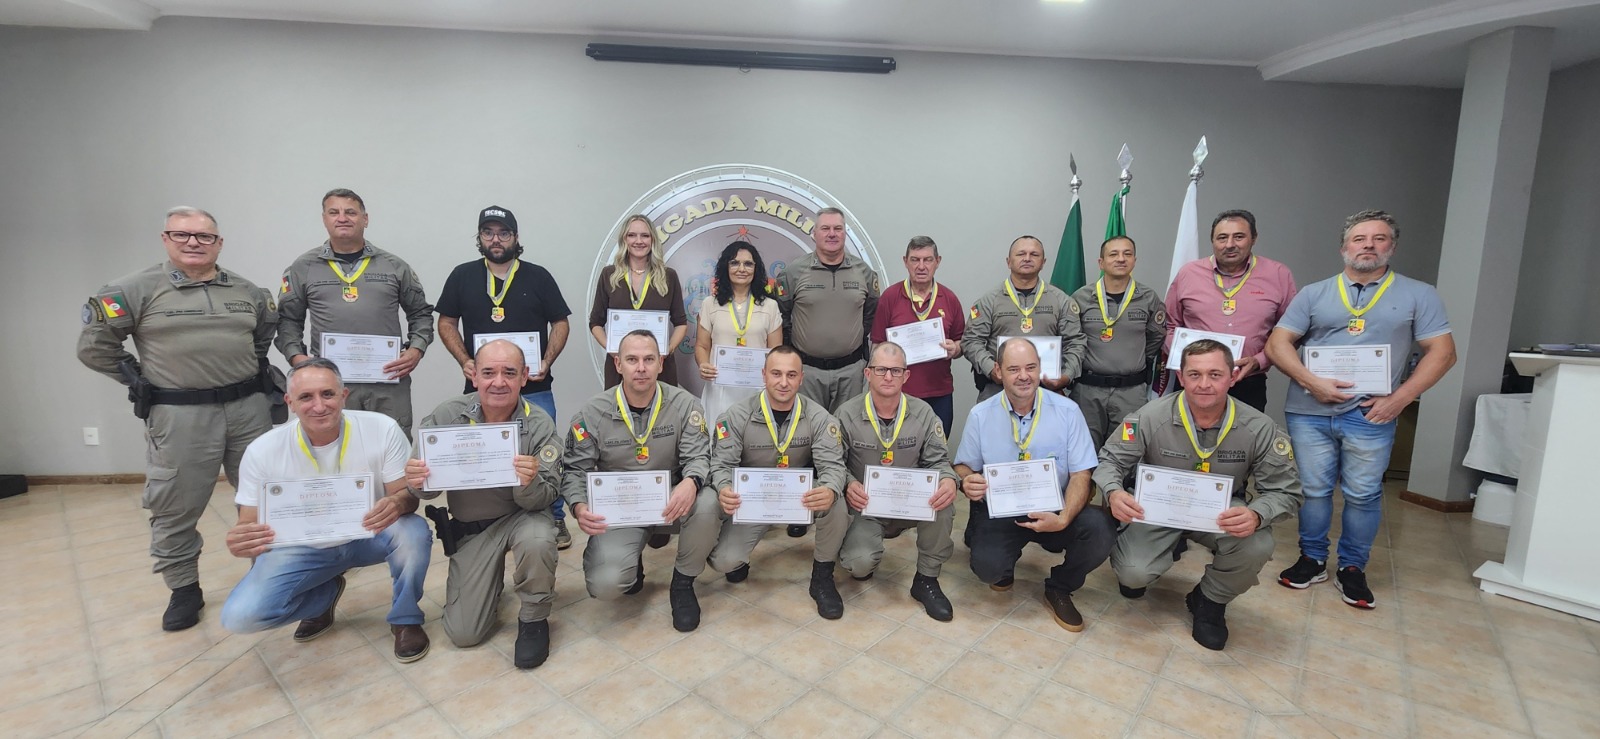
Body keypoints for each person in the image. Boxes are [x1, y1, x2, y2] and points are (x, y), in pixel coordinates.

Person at [77, 206, 276, 632]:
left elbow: (261, 339)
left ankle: (269, 572)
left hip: (248, 409)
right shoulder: (132, 289)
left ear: (219, 243)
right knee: (175, 504)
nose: (193, 243)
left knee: (268, 496)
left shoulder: (247, 291)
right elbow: (94, 347)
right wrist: (139, 379)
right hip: (180, 415)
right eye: (182, 234)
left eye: (204, 236)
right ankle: (184, 588)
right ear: (165, 239)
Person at [1266, 210, 1455, 609]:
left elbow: (1443, 353)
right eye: (1359, 238)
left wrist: (1399, 398)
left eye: (1379, 238)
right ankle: (1312, 559)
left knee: (1364, 494)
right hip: (1310, 411)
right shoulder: (1314, 293)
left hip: (1372, 413)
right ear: (1344, 248)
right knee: (1313, 490)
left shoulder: (1419, 294)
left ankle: (1352, 567)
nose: (1368, 245)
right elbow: (1278, 344)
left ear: (1392, 247)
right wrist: (1311, 381)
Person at [219, 358, 433, 662]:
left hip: (368, 534)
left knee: (413, 531)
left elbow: (406, 497)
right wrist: (243, 539)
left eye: (328, 394)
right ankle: (323, 597)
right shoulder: (262, 450)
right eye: (306, 397)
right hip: (303, 547)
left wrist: (398, 502)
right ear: (290, 402)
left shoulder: (381, 428)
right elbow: (249, 522)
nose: (319, 406)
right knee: (240, 617)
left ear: (344, 395)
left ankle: (405, 618)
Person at [1096, 339, 1303, 650]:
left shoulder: (1259, 428)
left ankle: (1209, 600)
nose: (1204, 384)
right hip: (1159, 507)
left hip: (1220, 511)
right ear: (1181, 377)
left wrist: (1257, 514)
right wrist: (1113, 492)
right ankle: (1161, 549)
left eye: (1215, 375)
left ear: (1233, 377)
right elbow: (1110, 461)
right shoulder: (1149, 416)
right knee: (1133, 574)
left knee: (1257, 544)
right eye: (1194, 374)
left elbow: (1286, 491)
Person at [406, 340, 564, 669]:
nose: (499, 382)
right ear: (474, 376)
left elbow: (545, 497)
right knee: (464, 633)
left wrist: (528, 482)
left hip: (523, 517)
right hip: (473, 529)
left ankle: (534, 619)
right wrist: (417, 482)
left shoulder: (539, 424)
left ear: (524, 377)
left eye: (510, 373)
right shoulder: (447, 416)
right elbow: (426, 493)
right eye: (489, 373)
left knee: (538, 539)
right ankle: (489, 586)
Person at [435, 205, 575, 549]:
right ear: (480, 237)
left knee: (545, 453)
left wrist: (546, 359)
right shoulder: (462, 275)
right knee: (482, 453)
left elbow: (561, 322)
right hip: (483, 390)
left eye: (503, 233)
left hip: (535, 387)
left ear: (516, 237)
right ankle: (487, 518)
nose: (496, 239)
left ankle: (555, 516)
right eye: (488, 233)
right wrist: (465, 360)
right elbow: (446, 322)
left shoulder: (538, 276)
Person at [563, 330, 721, 632]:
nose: (641, 368)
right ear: (617, 364)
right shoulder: (592, 412)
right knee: (606, 584)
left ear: (661, 364)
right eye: (632, 360)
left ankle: (683, 583)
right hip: (621, 508)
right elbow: (574, 470)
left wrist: (691, 481)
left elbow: (699, 457)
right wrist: (579, 506)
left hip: (671, 501)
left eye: (649, 359)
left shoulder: (685, 405)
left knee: (708, 501)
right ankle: (628, 560)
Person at [953, 339, 1113, 632]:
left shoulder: (1068, 411)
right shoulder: (981, 414)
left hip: (1055, 509)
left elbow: (1081, 474)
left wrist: (1064, 518)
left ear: (1040, 368)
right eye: (1014, 369)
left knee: (1100, 530)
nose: (1024, 376)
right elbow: (963, 465)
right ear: (999, 371)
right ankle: (1004, 565)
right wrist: (966, 480)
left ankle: (1060, 586)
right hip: (1002, 511)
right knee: (988, 569)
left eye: (1030, 367)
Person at [276, 188, 434, 437]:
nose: (342, 218)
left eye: (350, 212)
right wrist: (298, 359)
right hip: (330, 385)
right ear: (324, 219)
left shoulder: (394, 266)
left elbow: (421, 313)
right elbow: (287, 320)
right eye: (334, 212)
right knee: (334, 443)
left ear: (365, 219)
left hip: (387, 381)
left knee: (393, 443)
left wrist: (416, 349)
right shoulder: (303, 267)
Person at [708, 346, 851, 619]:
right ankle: (739, 556)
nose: (784, 382)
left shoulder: (820, 418)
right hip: (753, 502)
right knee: (724, 561)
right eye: (776, 374)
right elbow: (722, 465)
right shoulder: (735, 416)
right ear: (763, 375)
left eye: (791, 375)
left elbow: (833, 466)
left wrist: (830, 489)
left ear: (801, 378)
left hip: (799, 499)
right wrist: (725, 487)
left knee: (837, 503)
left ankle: (822, 577)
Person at [959, 235, 1086, 542]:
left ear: (1043, 262)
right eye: (1021, 254)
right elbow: (971, 341)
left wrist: (1066, 376)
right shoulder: (989, 301)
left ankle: (1049, 514)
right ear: (1009, 261)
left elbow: (1077, 342)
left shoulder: (1060, 301)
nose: (1027, 258)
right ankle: (982, 522)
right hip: (997, 391)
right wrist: (992, 368)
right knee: (989, 458)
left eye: (1034, 254)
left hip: (1047, 394)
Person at [836, 343, 960, 621]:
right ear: (868, 373)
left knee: (944, 501)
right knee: (859, 564)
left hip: (911, 505)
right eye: (881, 370)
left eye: (896, 370)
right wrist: (848, 483)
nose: (888, 377)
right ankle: (858, 550)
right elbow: (834, 464)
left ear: (906, 375)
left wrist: (949, 480)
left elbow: (939, 461)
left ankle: (926, 579)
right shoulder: (846, 414)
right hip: (865, 506)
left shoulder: (923, 413)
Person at [775, 207, 879, 538]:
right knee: (803, 439)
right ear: (814, 233)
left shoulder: (864, 272)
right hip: (808, 371)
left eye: (838, 228)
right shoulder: (794, 272)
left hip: (851, 370)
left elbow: (870, 315)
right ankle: (801, 507)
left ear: (845, 232)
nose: (832, 234)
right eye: (825, 229)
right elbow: (783, 316)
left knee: (847, 437)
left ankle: (843, 502)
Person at [1164, 209, 1297, 411]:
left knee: (1245, 433)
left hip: (1247, 381)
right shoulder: (1188, 274)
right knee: (1186, 431)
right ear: (1212, 241)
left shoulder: (1278, 274)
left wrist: (1259, 361)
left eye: (1239, 237)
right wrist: (1186, 359)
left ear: (1254, 238)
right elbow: (1169, 325)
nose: (1230, 244)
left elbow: (1290, 332)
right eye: (1222, 238)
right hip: (1196, 381)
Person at [1070, 236, 1166, 449]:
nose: (1121, 259)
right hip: (1088, 391)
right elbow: (1072, 339)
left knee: (1127, 450)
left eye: (1127, 254)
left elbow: (1155, 338)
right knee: (1084, 449)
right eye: (1113, 254)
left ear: (1134, 261)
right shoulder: (1081, 297)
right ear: (1101, 262)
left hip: (1131, 392)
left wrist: (1131, 359)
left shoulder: (1148, 298)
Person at [868, 236, 966, 435]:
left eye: (927, 260)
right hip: (898, 394)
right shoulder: (890, 297)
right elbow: (877, 344)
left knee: (937, 447)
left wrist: (955, 349)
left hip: (939, 393)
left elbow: (962, 342)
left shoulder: (949, 298)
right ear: (906, 262)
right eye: (915, 260)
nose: (921, 266)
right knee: (897, 447)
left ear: (937, 262)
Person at [589, 214, 690, 388]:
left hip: (659, 367)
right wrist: (614, 351)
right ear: (624, 240)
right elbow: (595, 323)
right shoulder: (609, 275)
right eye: (632, 235)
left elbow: (681, 323)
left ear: (653, 240)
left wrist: (665, 351)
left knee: (662, 405)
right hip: (620, 368)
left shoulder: (668, 276)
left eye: (645, 235)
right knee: (620, 406)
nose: (639, 241)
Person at [694, 241, 784, 424]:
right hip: (720, 388)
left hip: (757, 388)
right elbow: (702, 345)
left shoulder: (770, 306)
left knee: (755, 436)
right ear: (725, 267)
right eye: (734, 263)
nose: (741, 269)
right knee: (720, 436)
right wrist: (704, 364)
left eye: (748, 264)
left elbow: (776, 351)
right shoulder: (710, 304)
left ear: (756, 269)